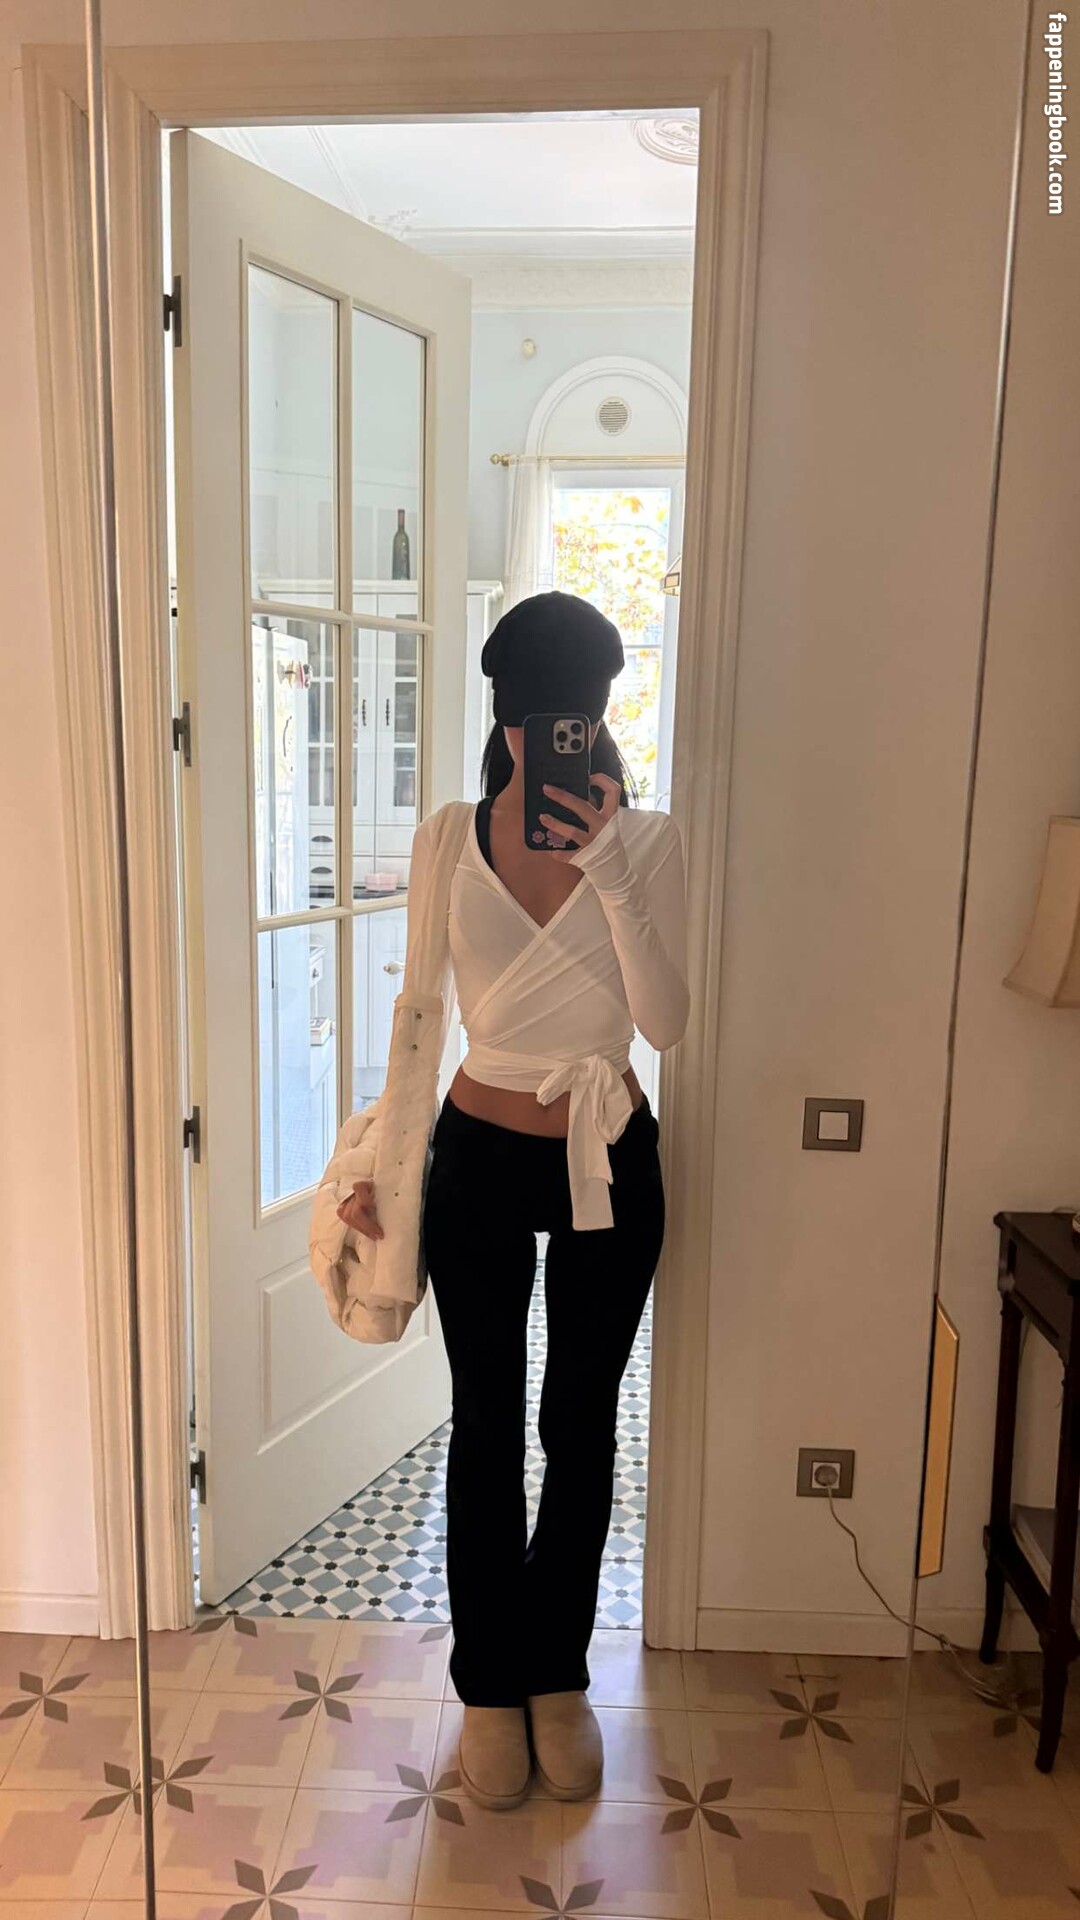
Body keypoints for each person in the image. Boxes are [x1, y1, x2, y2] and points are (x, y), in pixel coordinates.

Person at [336, 591, 690, 1808]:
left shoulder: (649, 842)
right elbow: (416, 1018)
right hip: (478, 1156)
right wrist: (377, 1171)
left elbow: (666, 1026)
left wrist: (612, 874)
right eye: (537, 715)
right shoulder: (448, 837)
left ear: (599, 717)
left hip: (607, 1156)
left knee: (579, 1425)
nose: (554, 735)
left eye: (572, 714)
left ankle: (556, 1675)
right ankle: (489, 1682)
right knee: (484, 1424)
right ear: (507, 720)